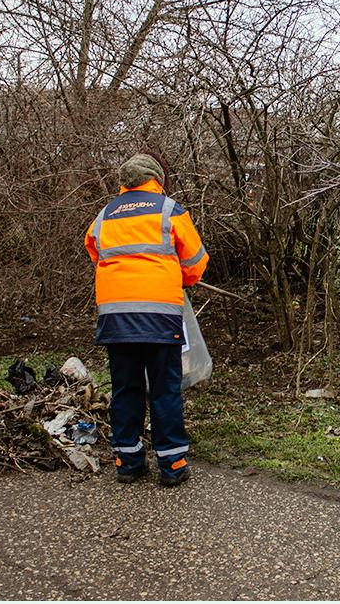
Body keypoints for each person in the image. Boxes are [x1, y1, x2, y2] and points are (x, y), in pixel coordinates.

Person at [84, 152, 209, 486]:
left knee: (126, 388)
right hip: (159, 315)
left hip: (115, 318)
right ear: (156, 179)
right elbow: (196, 263)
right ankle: (172, 464)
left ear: (125, 182)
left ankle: (127, 461)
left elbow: (94, 251)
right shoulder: (169, 210)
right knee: (164, 389)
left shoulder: (105, 214)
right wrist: (175, 276)